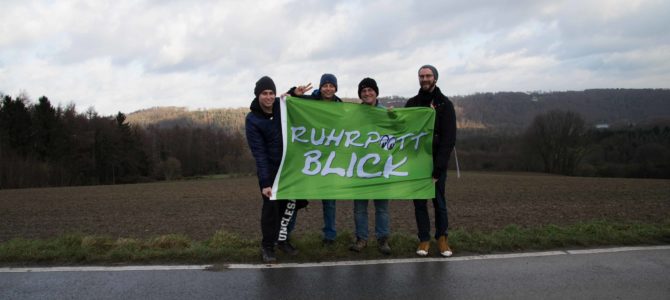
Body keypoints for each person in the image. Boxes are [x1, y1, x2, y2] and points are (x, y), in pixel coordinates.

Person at [245, 76, 299, 263]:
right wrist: (265, 183)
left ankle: (283, 240)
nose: (268, 97)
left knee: (288, 208)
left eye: (271, 93)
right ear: (258, 95)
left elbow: (289, 100)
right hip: (270, 171)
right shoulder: (252, 119)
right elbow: (259, 153)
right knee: (271, 210)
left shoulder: (280, 106)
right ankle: (267, 246)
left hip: (289, 169)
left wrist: (292, 92)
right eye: (264, 93)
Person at [405, 65, 457, 257]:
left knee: (439, 202)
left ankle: (442, 238)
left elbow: (448, 139)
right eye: (421, 76)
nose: (424, 79)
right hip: (416, 163)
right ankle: (424, 239)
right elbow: (404, 131)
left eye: (428, 76)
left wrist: (439, 167)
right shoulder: (412, 103)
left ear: (435, 78)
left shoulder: (445, 104)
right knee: (419, 203)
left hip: (437, 163)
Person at [287, 73, 341, 245]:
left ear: (335, 88)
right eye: (325, 85)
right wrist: (294, 93)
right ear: (321, 87)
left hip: (329, 161)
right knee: (296, 199)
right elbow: (286, 101)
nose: (328, 88)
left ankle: (330, 236)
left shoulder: (341, 106)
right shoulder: (309, 101)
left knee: (330, 202)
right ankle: (285, 236)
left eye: (331, 85)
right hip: (308, 160)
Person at [349, 77, 391, 254]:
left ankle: (383, 240)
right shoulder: (354, 113)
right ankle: (362, 239)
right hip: (359, 166)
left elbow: (396, 135)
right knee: (360, 208)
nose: (367, 93)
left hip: (381, 166)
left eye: (369, 90)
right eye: (363, 91)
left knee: (382, 208)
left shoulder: (385, 112)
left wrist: (394, 118)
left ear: (376, 92)